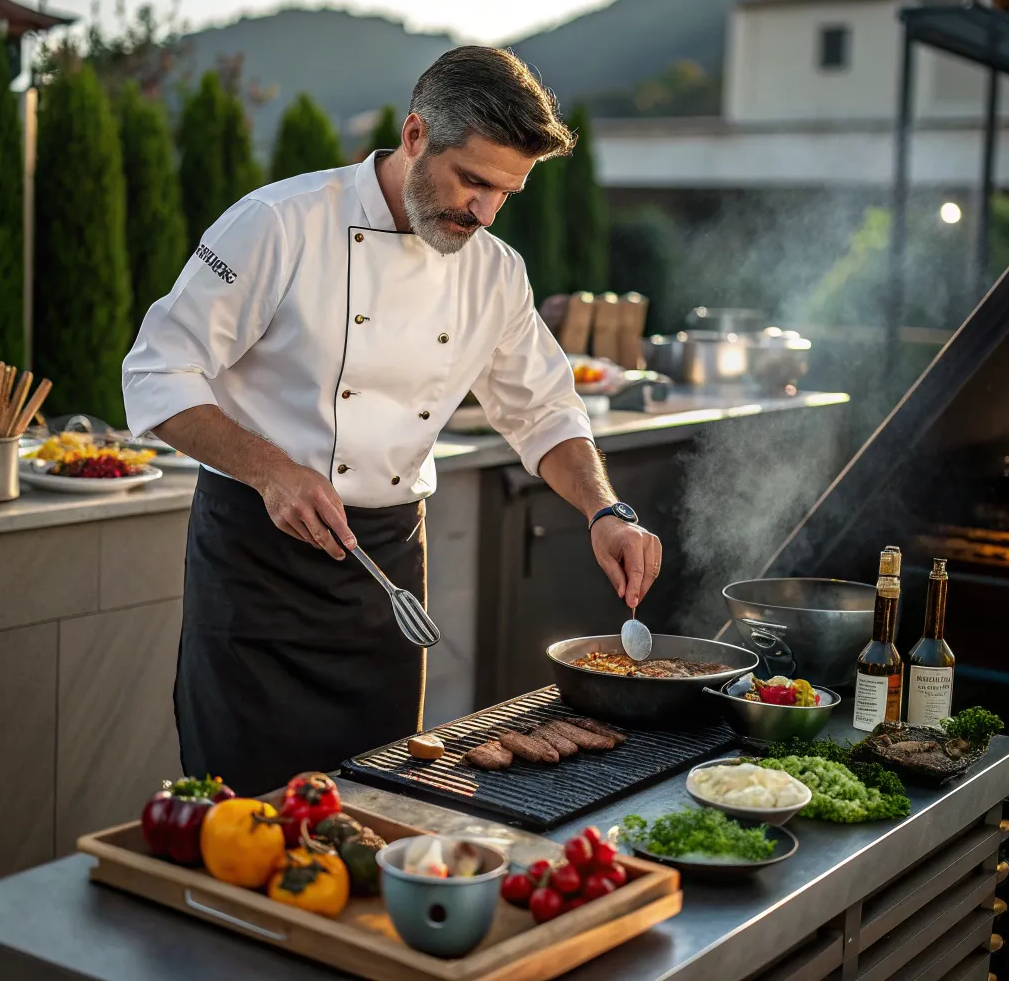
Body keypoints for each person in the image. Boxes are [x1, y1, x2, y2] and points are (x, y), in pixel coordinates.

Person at [122, 46, 662, 797]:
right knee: (247, 817)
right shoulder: (278, 223)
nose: (485, 212)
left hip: (385, 577)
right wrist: (273, 472)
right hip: (258, 567)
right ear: (415, 135)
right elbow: (156, 371)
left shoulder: (495, 271)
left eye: (505, 193)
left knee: (378, 800)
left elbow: (543, 408)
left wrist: (605, 510)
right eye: (473, 181)